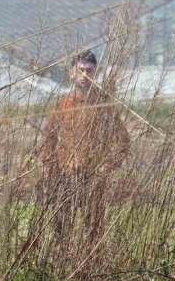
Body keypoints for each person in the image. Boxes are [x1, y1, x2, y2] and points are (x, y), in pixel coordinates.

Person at [39, 50, 130, 242]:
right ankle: (60, 266)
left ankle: (90, 268)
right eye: (80, 70)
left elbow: (123, 141)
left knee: (93, 233)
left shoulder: (104, 104)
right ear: (71, 72)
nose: (85, 75)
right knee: (60, 230)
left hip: (93, 177)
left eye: (89, 71)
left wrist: (106, 168)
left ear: (95, 73)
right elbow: (49, 138)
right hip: (65, 175)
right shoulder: (63, 104)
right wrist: (48, 169)